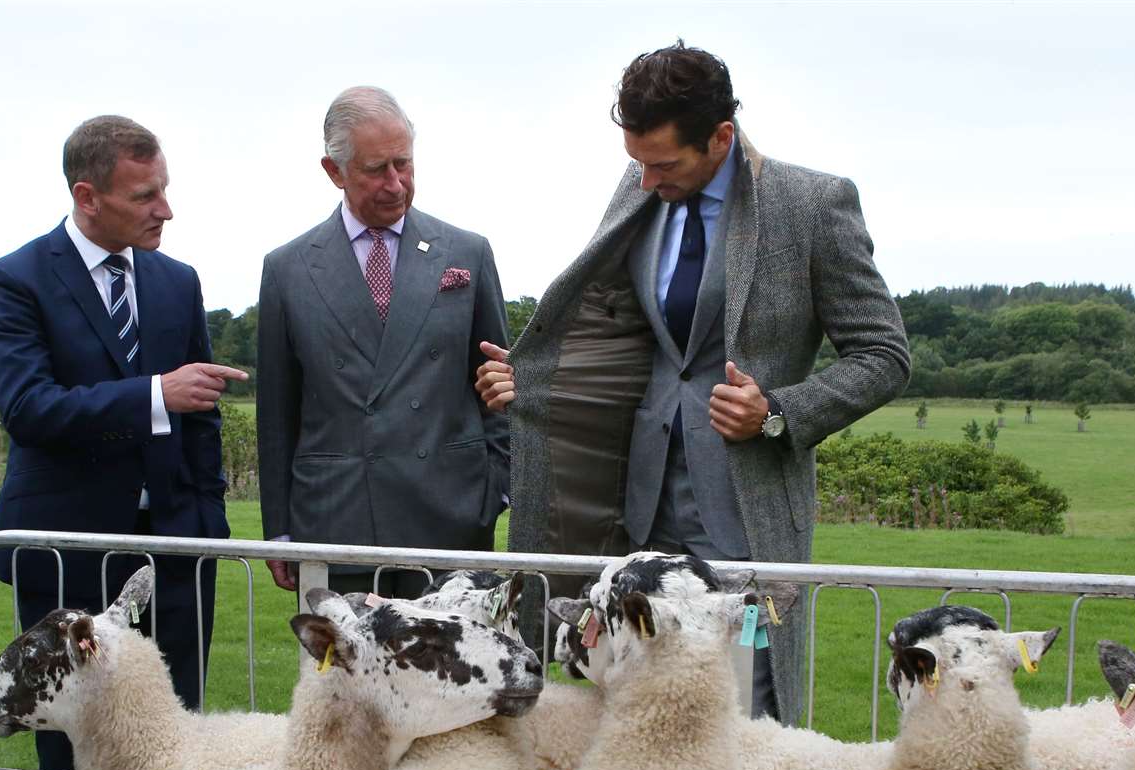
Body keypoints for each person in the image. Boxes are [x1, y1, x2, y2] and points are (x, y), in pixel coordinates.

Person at [475, 43, 910, 724]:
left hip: (745, 512)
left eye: (664, 164)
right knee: (644, 706)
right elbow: (615, 324)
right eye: (637, 162)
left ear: (722, 138)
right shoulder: (642, 186)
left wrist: (775, 414)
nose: (646, 181)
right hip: (636, 506)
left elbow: (884, 354)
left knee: (748, 712)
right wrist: (537, 378)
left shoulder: (812, 205)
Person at [0, 114, 246, 770]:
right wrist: (155, 392)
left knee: (173, 739)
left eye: (164, 190)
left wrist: (206, 523)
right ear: (87, 195)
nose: (166, 210)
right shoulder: (18, 280)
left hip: (174, 550)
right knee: (70, 746)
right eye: (144, 196)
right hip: (67, 553)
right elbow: (29, 408)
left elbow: (203, 419)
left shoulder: (176, 282)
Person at [257, 87, 509, 601]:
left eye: (405, 163)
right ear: (334, 171)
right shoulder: (287, 269)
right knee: (347, 681)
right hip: (338, 520)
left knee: (451, 679)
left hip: (450, 521)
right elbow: (277, 413)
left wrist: (497, 486)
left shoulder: (468, 252)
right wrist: (279, 530)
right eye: (376, 169)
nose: (396, 184)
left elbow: (498, 382)